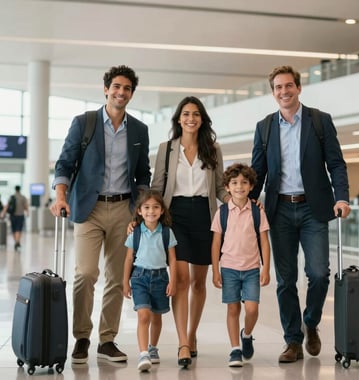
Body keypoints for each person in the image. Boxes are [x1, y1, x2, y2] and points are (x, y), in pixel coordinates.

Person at [50, 65, 151, 364]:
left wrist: (142, 209)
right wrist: (60, 196)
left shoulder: (139, 130)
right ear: (106, 89)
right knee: (85, 273)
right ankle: (81, 336)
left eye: (127, 88)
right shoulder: (85, 122)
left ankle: (107, 340)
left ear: (132, 94)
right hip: (88, 209)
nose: (121, 92)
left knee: (117, 277)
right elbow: (64, 163)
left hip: (124, 208)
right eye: (117, 87)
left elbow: (142, 173)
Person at [250, 65, 351, 363]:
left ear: (298, 88)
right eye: (278, 87)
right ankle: (293, 340)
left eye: (288, 86)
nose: (284, 91)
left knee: (319, 274)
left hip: (313, 208)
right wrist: (245, 205)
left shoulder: (320, 121)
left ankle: (311, 321)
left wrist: (342, 197)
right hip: (279, 209)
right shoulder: (265, 126)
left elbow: (336, 163)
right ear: (273, 92)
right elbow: (258, 171)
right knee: (285, 280)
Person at [151, 96, 230, 367]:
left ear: (202, 119)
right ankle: (183, 342)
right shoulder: (167, 149)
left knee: (199, 282)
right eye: (186, 114)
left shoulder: (213, 149)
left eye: (196, 114)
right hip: (176, 216)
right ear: (178, 119)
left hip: (205, 217)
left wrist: (238, 202)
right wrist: (146, 218)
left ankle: (192, 334)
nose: (191, 118)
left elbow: (220, 187)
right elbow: (157, 188)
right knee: (181, 279)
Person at [211, 163, 271, 367]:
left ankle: (246, 334)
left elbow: (264, 241)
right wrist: (215, 271)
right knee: (233, 309)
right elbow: (216, 243)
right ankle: (235, 349)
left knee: (252, 309)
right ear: (227, 187)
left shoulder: (257, 211)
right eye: (234, 183)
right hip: (228, 268)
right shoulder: (222, 213)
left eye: (244, 183)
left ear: (251, 186)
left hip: (252, 269)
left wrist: (266, 268)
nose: (239, 187)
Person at [123, 190, 177, 372]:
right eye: (146, 207)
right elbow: (129, 259)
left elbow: (173, 259)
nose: (151, 211)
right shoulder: (135, 233)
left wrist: (173, 280)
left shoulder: (167, 233)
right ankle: (143, 352)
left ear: (162, 211)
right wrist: (125, 282)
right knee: (143, 315)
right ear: (139, 211)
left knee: (156, 316)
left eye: (155, 207)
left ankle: (153, 347)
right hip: (139, 278)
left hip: (161, 277)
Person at [0, 186, 28, 250]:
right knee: (19, 229)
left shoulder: (11, 197)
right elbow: (25, 206)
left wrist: (3, 213)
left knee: (13, 229)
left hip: (12, 216)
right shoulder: (22, 197)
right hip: (20, 215)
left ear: (15, 189)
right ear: (19, 189)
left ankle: (16, 241)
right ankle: (17, 242)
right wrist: (27, 212)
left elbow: (6, 206)